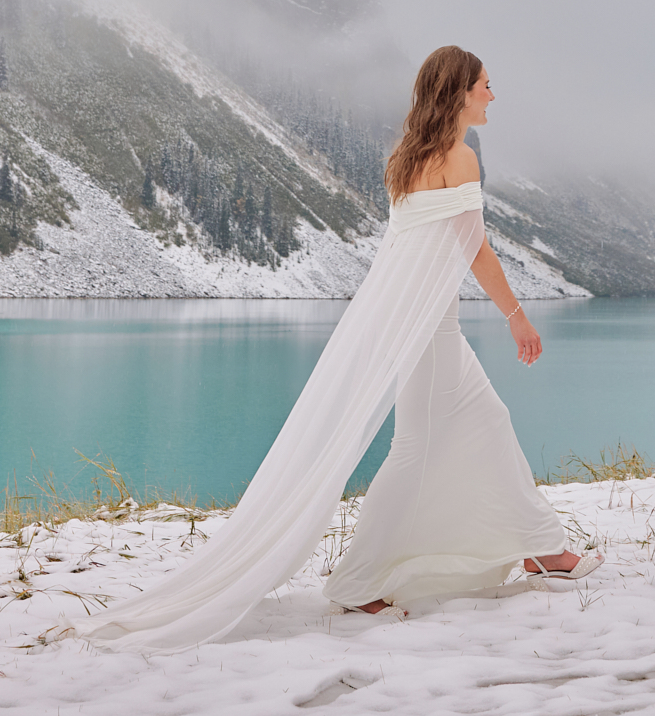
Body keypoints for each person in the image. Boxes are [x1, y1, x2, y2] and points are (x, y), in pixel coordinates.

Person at [96, 46, 595, 650]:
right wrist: (518, 317)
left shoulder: (408, 159)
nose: (494, 94)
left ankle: (539, 549)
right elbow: (474, 250)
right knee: (420, 447)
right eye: (487, 85)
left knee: (470, 426)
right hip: (429, 329)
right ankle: (381, 576)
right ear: (459, 92)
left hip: (414, 323)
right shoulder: (459, 159)